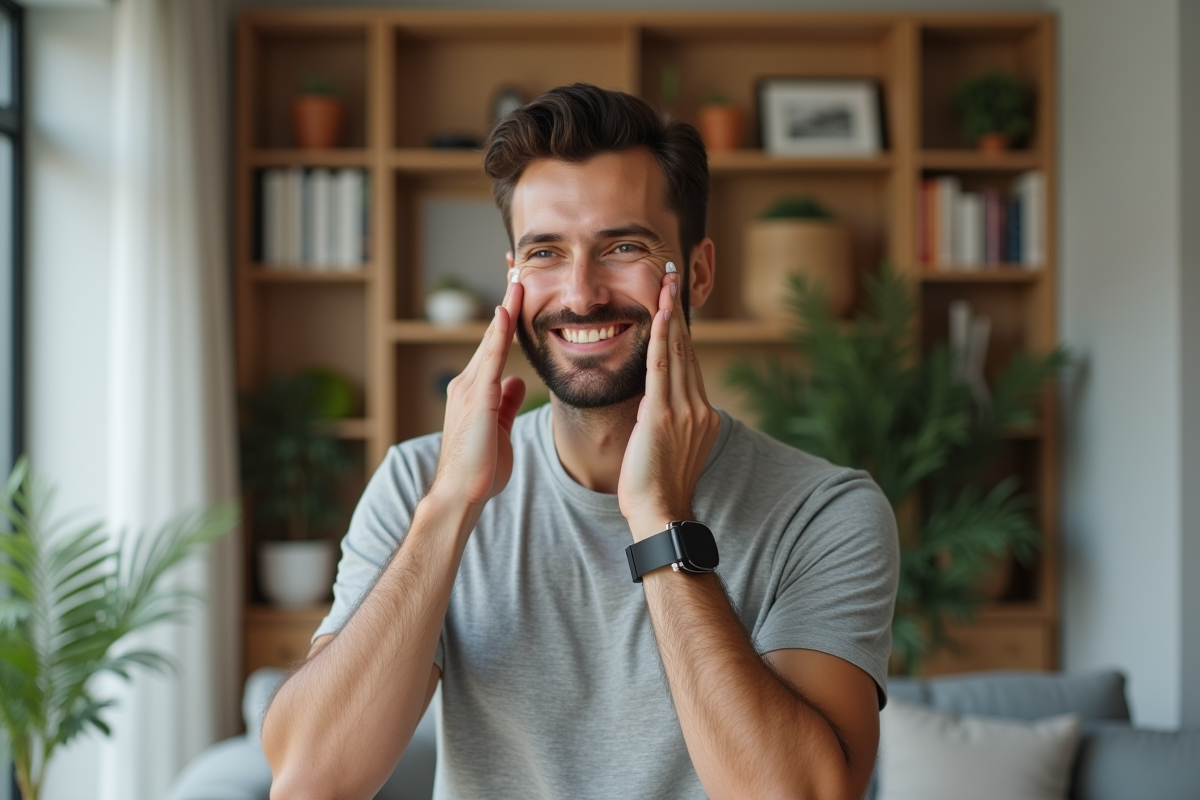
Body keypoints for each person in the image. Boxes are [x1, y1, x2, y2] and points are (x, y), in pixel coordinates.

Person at [262, 83, 898, 800]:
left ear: (696, 272)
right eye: (545, 253)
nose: (581, 292)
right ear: (513, 280)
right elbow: (310, 780)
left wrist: (661, 518)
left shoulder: (824, 511)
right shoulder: (419, 484)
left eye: (623, 245)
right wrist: (450, 508)